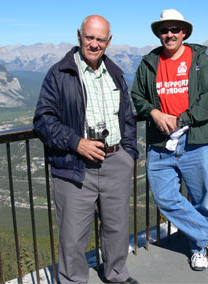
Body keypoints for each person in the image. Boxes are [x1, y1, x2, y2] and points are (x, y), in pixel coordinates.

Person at [33, 15, 139, 284]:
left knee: (117, 227)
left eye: (100, 39)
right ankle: (73, 281)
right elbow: (43, 120)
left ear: (109, 41)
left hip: (116, 161)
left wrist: (128, 154)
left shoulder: (115, 72)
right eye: (89, 37)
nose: (94, 44)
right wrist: (76, 143)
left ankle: (116, 274)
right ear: (79, 36)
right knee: (73, 236)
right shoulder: (59, 73)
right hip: (75, 166)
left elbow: (127, 117)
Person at [131, 9, 208, 271]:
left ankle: (198, 249)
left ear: (184, 32)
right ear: (159, 34)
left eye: (174, 29)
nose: (169, 34)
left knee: (202, 199)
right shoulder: (149, 62)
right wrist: (153, 112)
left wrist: (182, 119)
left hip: (196, 140)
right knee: (164, 197)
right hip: (161, 144)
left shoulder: (200, 60)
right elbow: (137, 95)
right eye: (164, 30)